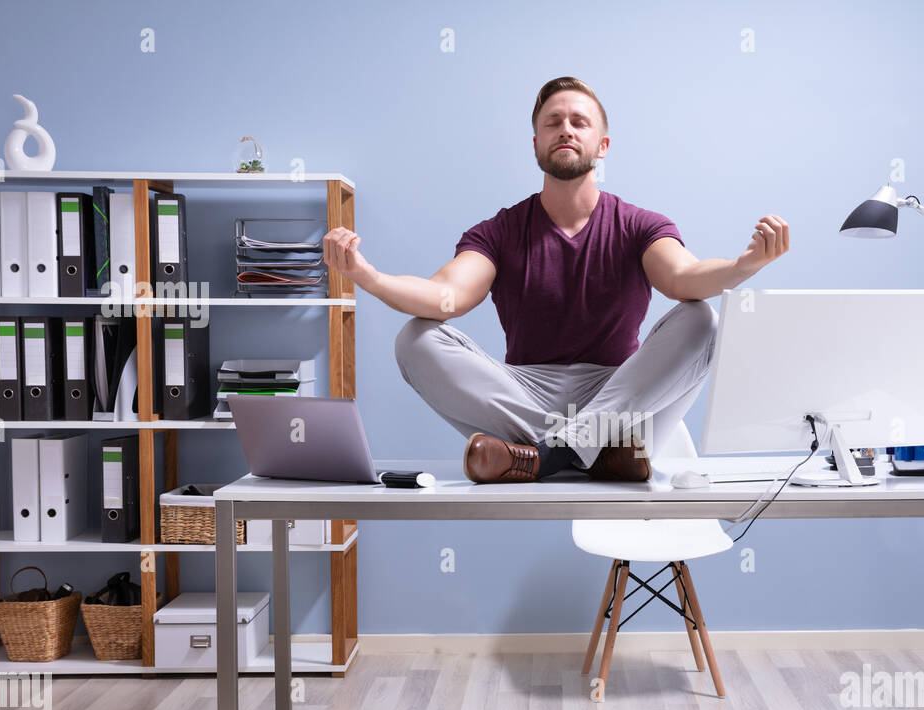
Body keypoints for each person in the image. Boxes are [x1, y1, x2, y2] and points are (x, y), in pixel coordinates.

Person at [322, 76, 790, 483]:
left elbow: (683, 277)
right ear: (535, 144)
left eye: (579, 122)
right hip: (528, 395)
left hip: (620, 398)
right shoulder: (500, 230)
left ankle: (549, 457)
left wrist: (742, 267)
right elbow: (446, 296)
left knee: (701, 320)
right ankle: (590, 454)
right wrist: (369, 276)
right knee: (415, 339)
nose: (565, 128)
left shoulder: (639, 224)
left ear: (602, 145)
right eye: (553, 122)